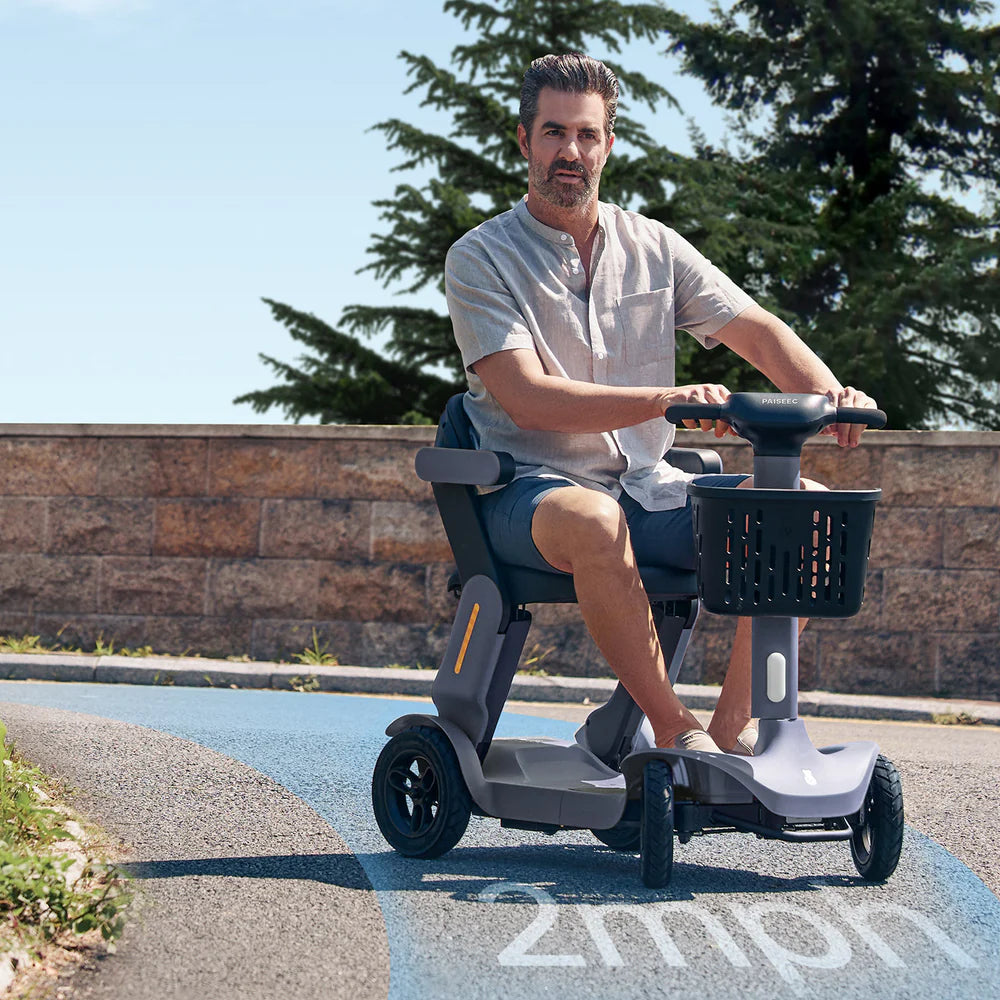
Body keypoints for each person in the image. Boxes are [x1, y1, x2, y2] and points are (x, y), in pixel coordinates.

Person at [444, 53, 876, 754]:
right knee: (594, 516)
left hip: (649, 488)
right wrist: (665, 398)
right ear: (524, 140)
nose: (570, 152)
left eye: (586, 136)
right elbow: (527, 399)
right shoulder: (480, 258)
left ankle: (730, 745)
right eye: (554, 133)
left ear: (608, 145)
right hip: (528, 492)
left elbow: (757, 330)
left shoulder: (655, 247)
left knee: (802, 510)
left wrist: (831, 396)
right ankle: (675, 731)